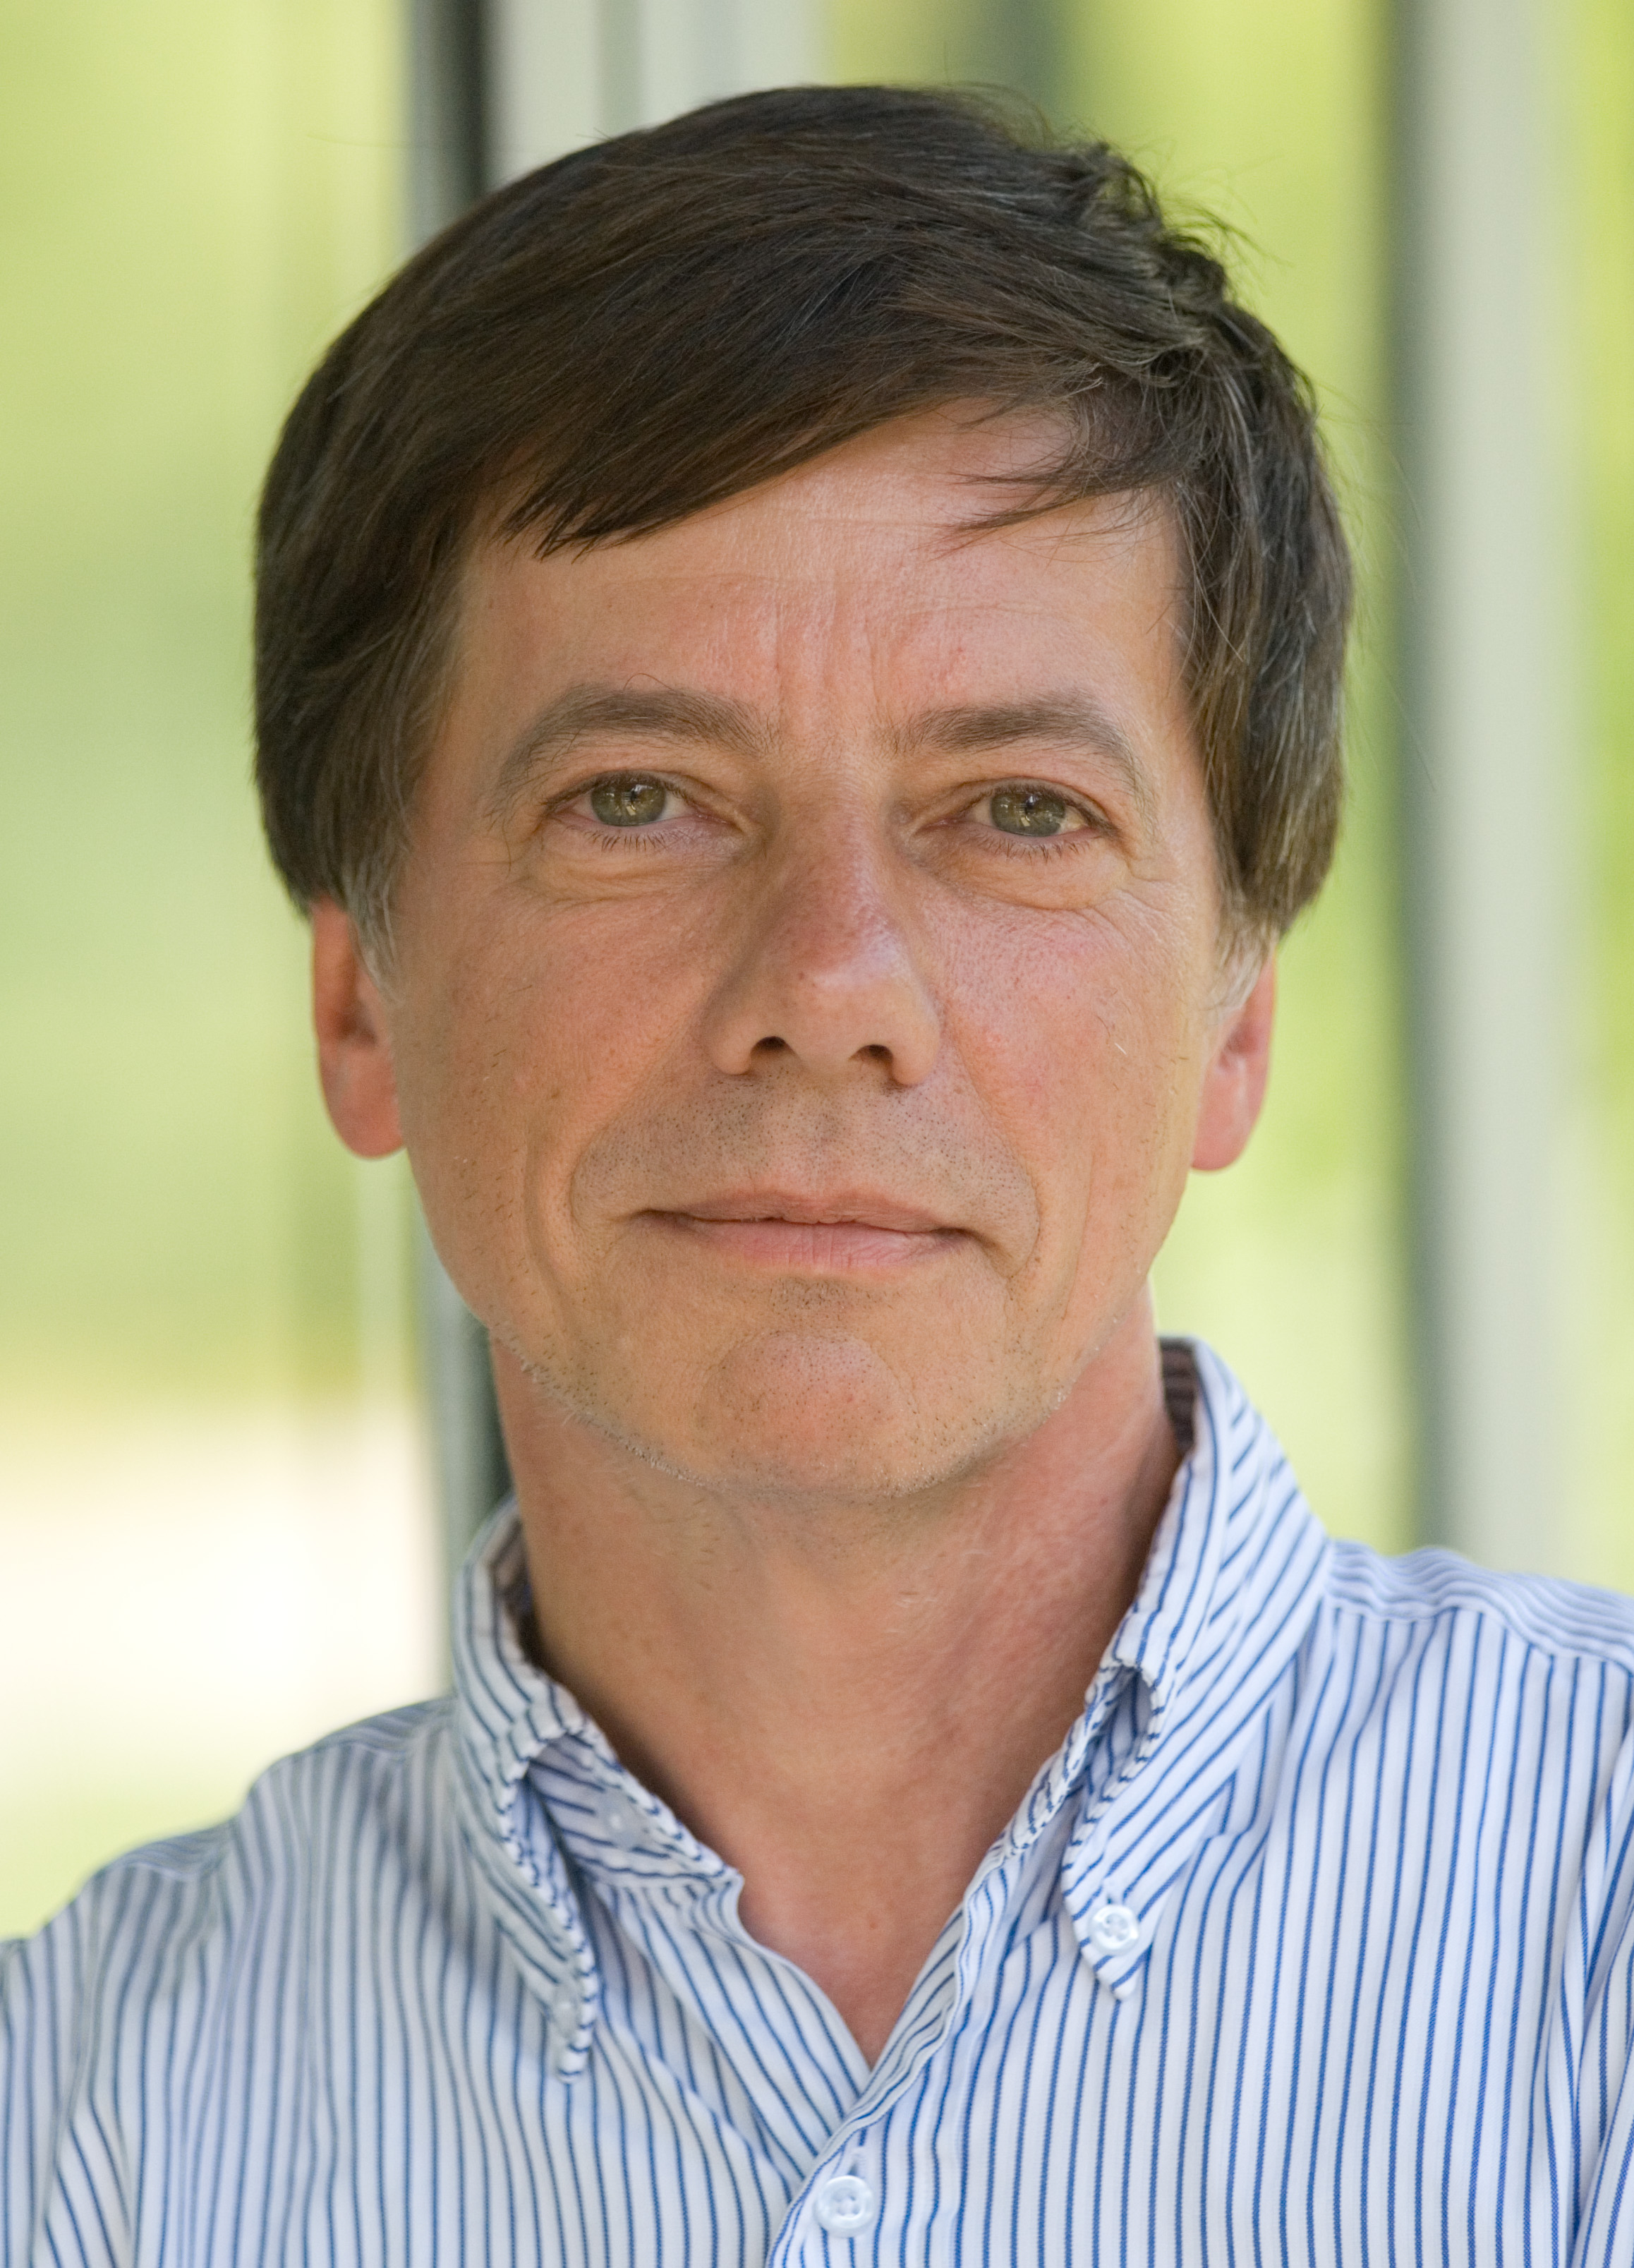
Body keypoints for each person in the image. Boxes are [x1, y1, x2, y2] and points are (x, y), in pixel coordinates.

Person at [4, 82, 1633, 2267]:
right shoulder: (81, 2127)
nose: (830, 986)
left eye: (1018, 813)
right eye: (637, 800)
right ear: (359, 1001)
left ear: (1235, 1020)